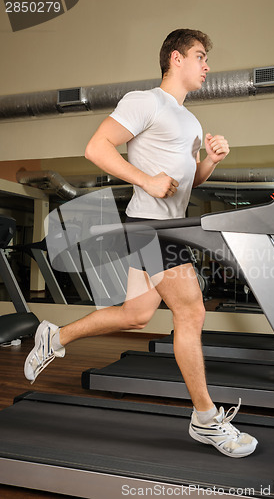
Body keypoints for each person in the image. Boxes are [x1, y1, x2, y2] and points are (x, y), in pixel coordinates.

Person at [25, 29, 258, 458]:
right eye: (200, 56)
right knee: (192, 310)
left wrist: (210, 161)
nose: (207, 66)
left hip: (165, 224)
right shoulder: (145, 101)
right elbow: (97, 147)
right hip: (150, 226)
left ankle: (55, 337)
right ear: (176, 59)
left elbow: (188, 181)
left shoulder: (190, 119)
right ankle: (206, 419)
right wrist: (145, 179)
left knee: (136, 313)